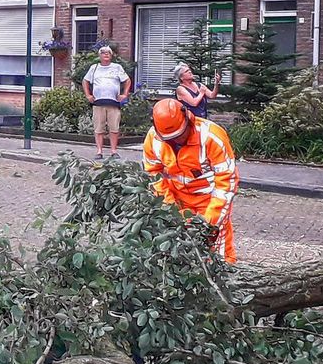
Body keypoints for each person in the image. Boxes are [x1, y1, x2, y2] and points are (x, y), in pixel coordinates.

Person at [142, 99, 239, 263]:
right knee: (178, 253)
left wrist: (209, 223)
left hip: (209, 202)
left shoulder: (211, 137)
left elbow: (226, 183)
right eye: (170, 139)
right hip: (176, 200)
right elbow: (153, 176)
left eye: (179, 136)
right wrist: (170, 210)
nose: (176, 141)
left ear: (188, 119)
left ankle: (226, 281)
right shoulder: (153, 139)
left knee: (220, 256)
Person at [82, 46, 132, 159]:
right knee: (99, 128)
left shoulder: (117, 67)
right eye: (103, 53)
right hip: (98, 103)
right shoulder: (94, 68)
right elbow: (85, 81)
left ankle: (113, 151)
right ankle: (99, 151)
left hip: (113, 103)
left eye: (108, 53)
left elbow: (127, 80)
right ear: (99, 56)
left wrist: (124, 94)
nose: (106, 54)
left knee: (114, 128)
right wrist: (88, 95)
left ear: (111, 55)